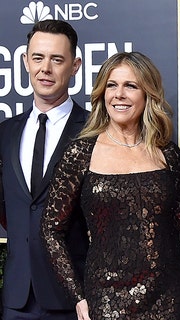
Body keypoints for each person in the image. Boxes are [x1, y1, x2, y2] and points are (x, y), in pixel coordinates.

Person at [40, 52, 180, 320]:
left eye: (131, 86)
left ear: (147, 94)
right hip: (107, 296)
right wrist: (78, 297)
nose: (119, 94)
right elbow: (51, 229)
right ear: (102, 93)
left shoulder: (166, 152)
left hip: (169, 295)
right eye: (112, 85)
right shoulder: (80, 152)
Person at [0, 20, 89, 319]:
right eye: (38, 58)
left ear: (75, 65)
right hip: (16, 299)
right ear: (25, 61)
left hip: (75, 299)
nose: (45, 68)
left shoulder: (95, 132)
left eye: (57, 59)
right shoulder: (5, 133)